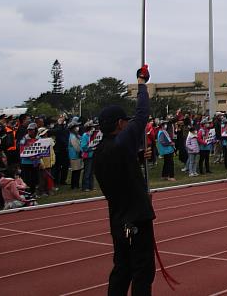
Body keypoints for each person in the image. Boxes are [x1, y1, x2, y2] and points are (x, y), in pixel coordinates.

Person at [93, 66, 156, 295]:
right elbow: (142, 114)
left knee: (122, 268)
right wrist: (141, 83)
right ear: (120, 123)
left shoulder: (99, 151)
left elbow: (118, 169)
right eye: (125, 122)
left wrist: (136, 157)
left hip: (118, 219)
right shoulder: (122, 142)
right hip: (136, 219)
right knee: (142, 270)